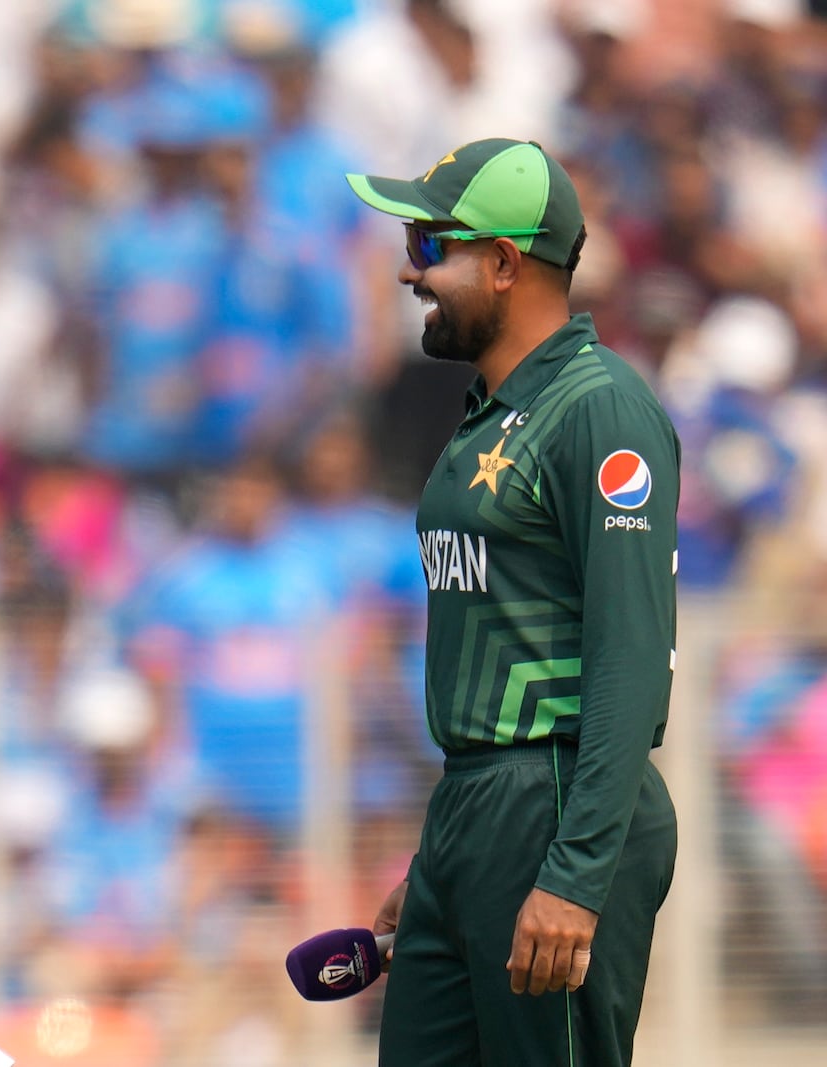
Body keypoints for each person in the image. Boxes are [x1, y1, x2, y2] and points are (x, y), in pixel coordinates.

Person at [345, 138, 680, 1065]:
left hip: (558, 804)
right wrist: (439, 858)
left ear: (502, 262)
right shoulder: (493, 412)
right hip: (477, 806)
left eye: (428, 246)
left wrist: (573, 877)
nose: (410, 271)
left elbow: (630, 659)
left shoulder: (599, 410)